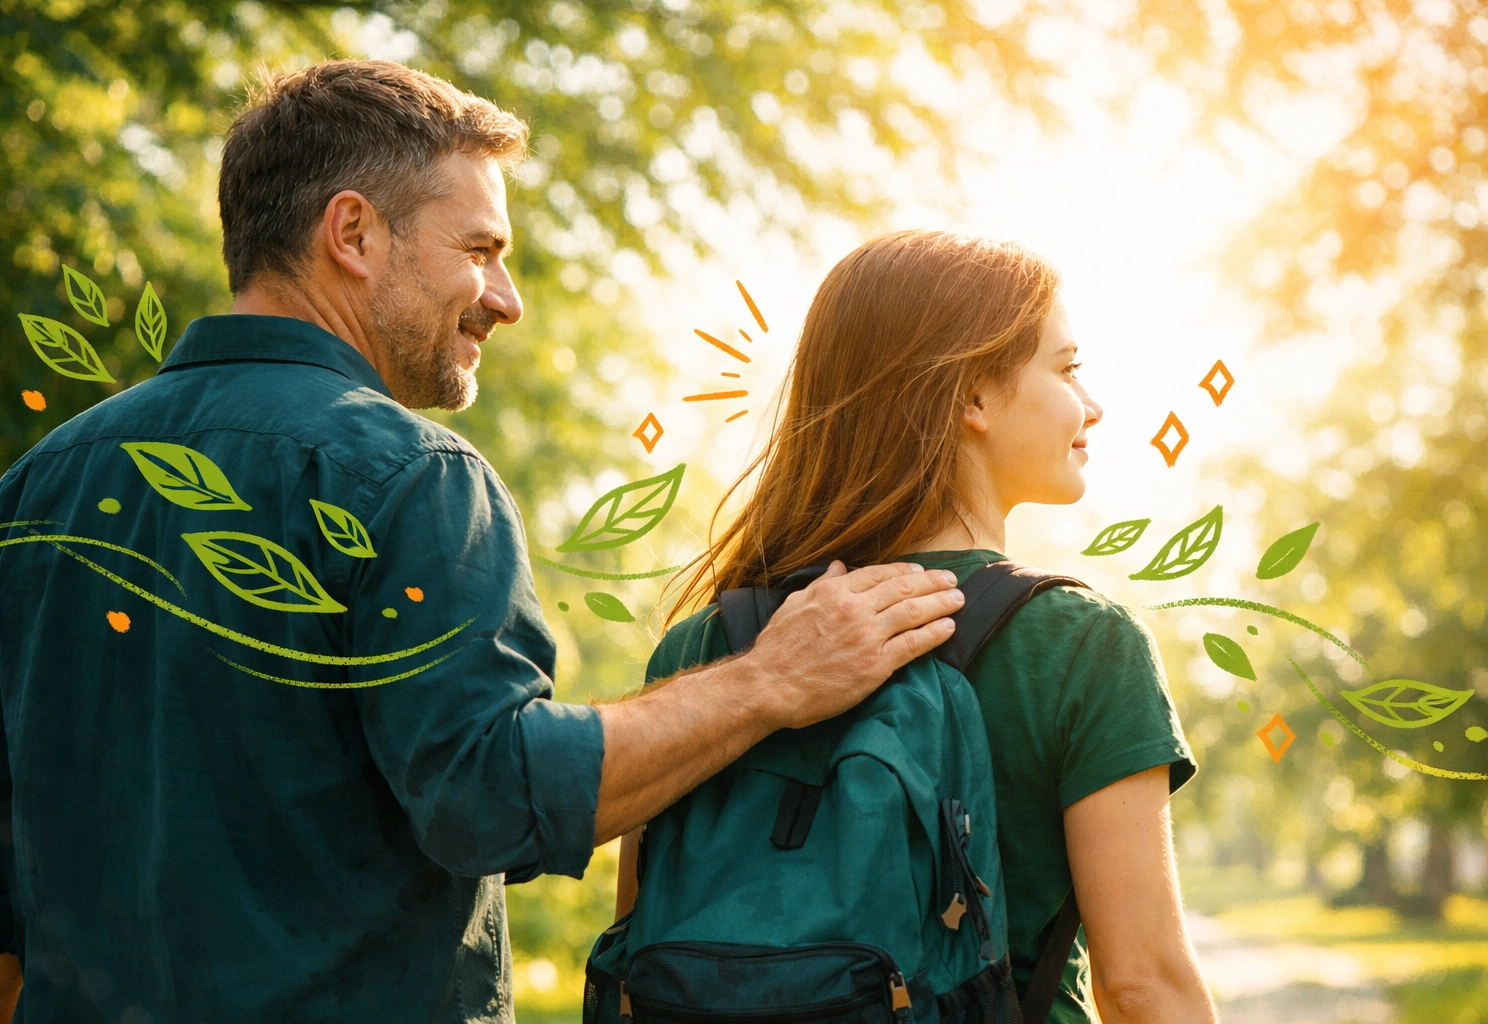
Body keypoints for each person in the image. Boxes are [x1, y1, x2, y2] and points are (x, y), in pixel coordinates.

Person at [0, 62, 966, 1022]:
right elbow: (490, 795)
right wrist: (770, 680)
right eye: (480, 248)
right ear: (353, 233)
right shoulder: (413, 478)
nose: (506, 299)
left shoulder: (35, 490)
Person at [618, 231, 1218, 1023]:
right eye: (1068, 369)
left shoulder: (704, 648)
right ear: (971, 398)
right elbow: (1142, 984)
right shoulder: (1079, 645)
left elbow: (636, 947)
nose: (1093, 405)